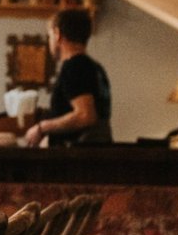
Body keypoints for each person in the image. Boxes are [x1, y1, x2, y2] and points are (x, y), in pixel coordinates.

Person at [23, 8, 112, 146]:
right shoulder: (95, 67)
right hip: (98, 154)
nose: (49, 41)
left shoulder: (74, 66)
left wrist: (42, 127)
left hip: (78, 159)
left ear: (58, 34)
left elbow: (85, 115)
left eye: (50, 36)